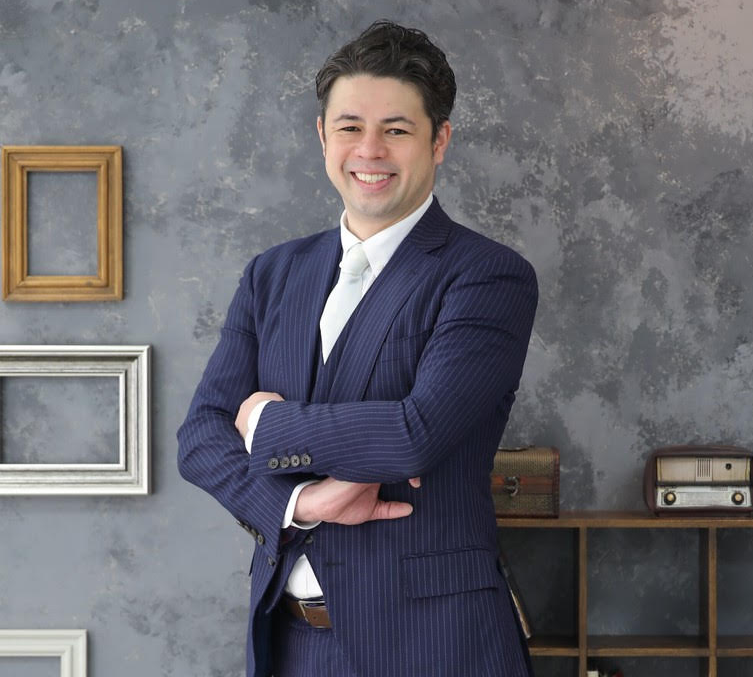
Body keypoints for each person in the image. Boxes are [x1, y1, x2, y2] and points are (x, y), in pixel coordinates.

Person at [177, 20, 538, 677]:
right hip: (289, 642)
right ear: (323, 136)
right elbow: (201, 436)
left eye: (396, 130)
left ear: (439, 140)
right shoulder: (271, 274)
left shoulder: (487, 276)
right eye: (350, 127)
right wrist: (297, 505)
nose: (369, 150)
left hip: (434, 645)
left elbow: (413, 434)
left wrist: (263, 423)